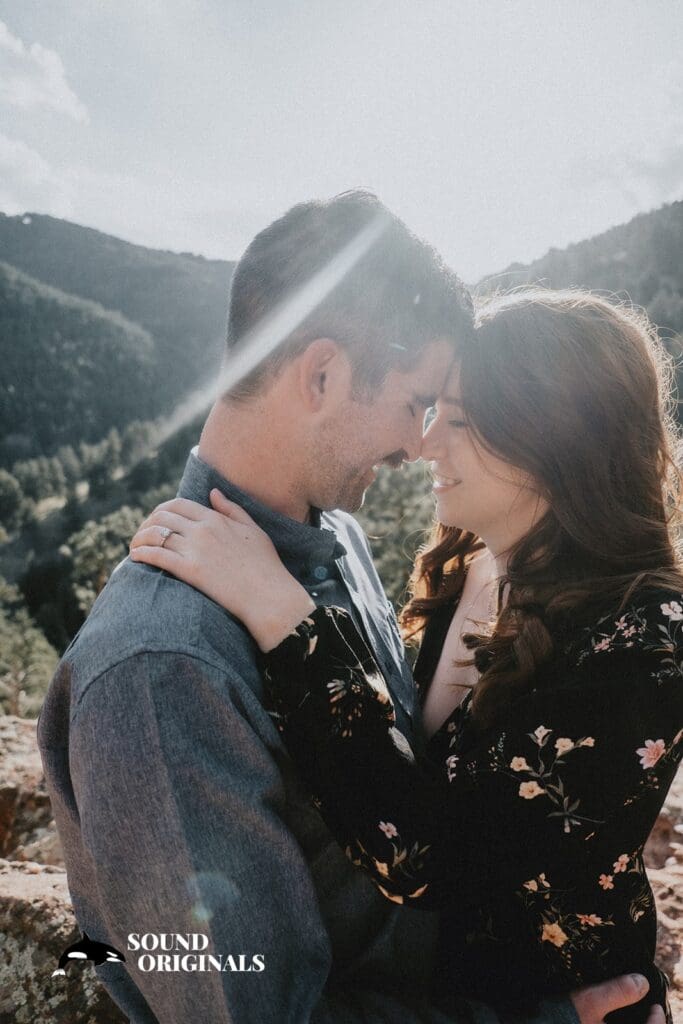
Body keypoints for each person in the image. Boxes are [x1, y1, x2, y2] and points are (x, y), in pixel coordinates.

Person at [128, 288, 682, 1024]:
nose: (423, 443)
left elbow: (426, 857)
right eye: (431, 411)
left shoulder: (647, 637)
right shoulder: (471, 564)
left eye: (458, 419)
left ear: (552, 438)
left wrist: (283, 612)